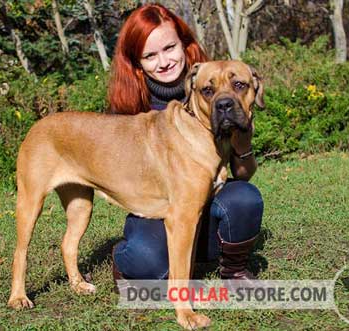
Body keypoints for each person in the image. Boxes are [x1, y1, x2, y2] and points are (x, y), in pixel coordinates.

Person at [106, 4, 263, 283]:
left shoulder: (212, 75)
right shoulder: (128, 104)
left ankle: (233, 269)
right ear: (137, 61)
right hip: (154, 205)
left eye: (169, 48)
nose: (164, 61)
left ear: (184, 44)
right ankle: (128, 257)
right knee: (148, 264)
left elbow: (244, 172)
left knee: (245, 198)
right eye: (150, 55)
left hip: (209, 196)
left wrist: (243, 144)